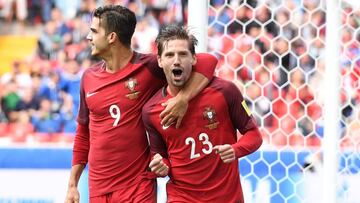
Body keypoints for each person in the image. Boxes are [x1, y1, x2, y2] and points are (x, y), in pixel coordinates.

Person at [65, 5, 218, 203]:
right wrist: (72, 185)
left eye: (94, 31)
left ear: (112, 37)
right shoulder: (88, 78)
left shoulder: (149, 68)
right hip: (98, 188)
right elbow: (83, 133)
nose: (88, 37)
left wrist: (183, 98)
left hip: (137, 185)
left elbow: (208, 61)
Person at [142, 25, 263, 203]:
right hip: (181, 197)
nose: (176, 61)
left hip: (225, 197)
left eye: (183, 54)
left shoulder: (225, 91)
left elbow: (254, 135)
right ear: (160, 61)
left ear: (194, 58)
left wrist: (235, 150)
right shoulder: (150, 111)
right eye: (169, 55)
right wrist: (161, 166)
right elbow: (160, 156)